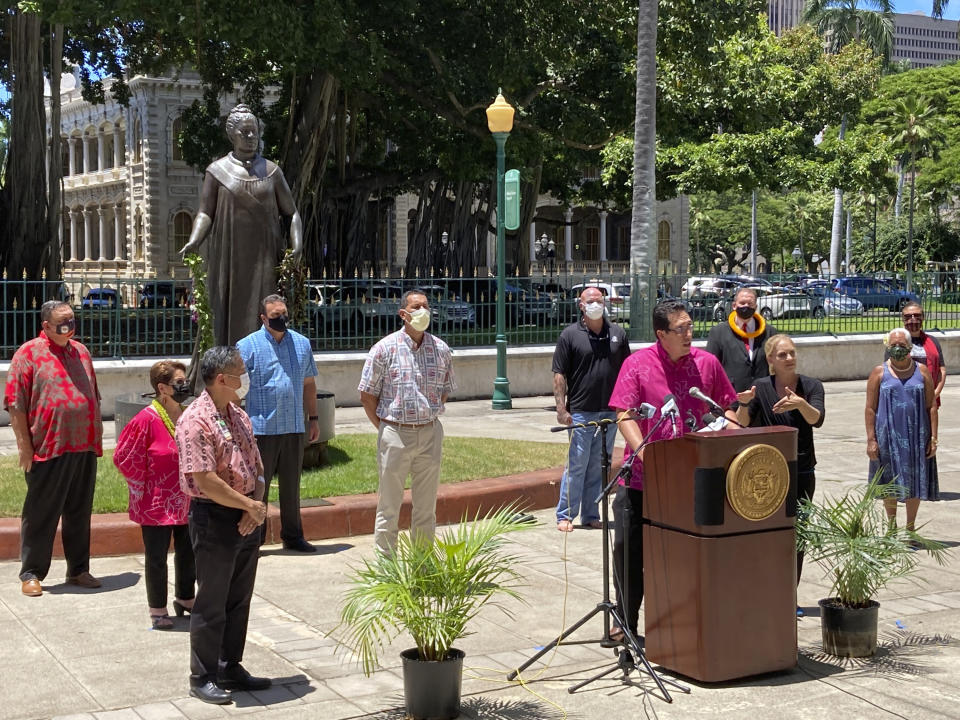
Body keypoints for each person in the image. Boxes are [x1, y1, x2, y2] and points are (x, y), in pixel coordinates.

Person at [608, 300, 737, 640]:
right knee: (628, 553)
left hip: (691, 481)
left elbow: (728, 406)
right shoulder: (637, 365)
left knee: (683, 554)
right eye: (681, 329)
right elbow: (624, 413)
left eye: (691, 327)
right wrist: (644, 450)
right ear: (661, 334)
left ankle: (681, 626)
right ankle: (625, 623)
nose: (689, 335)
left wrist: (734, 430)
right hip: (641, 479)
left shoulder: (706, 364)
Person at [175, 346, 271, 704]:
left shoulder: (238, 414)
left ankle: (231, 665)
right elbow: (204, 479)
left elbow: (256, 467)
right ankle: (202, 676)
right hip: (213, 517)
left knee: (238, 598)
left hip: (248, 516)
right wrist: (248, 505)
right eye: (240, 372)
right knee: (212, 600)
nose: (245, 378)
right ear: (221, 379)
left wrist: (254, 507)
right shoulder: (195, 420)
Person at [180, 104, 302, 346]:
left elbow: (292, 213)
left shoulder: (272, 171)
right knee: (226, 310)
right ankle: (226, 366)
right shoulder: (216, 172)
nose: (251, 137)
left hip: (265, 256)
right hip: (229, 256)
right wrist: (194, 240)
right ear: (231, 135)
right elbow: (205, 212)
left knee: (264, 306)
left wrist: (296, 245)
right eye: (244, 132)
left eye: (254, 131)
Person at [5, 300, 102, 597]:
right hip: (48, 446)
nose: (69, 326)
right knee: (41, 512)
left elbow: (93, 395)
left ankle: (78, 569)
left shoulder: (81, 351)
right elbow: (15, 403)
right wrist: (24, 446)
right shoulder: (29, 353)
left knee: (79, 510)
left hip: (83, 444)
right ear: (46, 325)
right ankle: (32, 571)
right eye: (62, 322)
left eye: (72, 321)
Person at [358, 288, 456, 554]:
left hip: (430, 433)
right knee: (388, 507)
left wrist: (430, 411)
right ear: (403, 314)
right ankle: (386, 572)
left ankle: (422, 567)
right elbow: (367, 395)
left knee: (426, 509)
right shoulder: (384, 349)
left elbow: (445, 389)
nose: (422, 311)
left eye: (426, 306)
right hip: (395, 433)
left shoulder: (441, 350)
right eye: (416, 307)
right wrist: (385, 428)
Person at [735, 334, 824, 604]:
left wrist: (800, 403)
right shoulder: (760, 387)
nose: (789, 358)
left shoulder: (811, 386)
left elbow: (816, 419)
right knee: (767, 536)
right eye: (782, 354)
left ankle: (788, 597)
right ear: (771, 360)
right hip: (767, 473)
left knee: (796, 537)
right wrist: (742, 403)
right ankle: (763, 592)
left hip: (802, 472)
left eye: (792, 353)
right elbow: (743, 424)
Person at [113, 360, 196, 629]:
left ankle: (185, 598)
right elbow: (124, 457)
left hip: (186, 497)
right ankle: (157, 608)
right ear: (162, 388)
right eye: (179, 383)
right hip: (156, 501)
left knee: (189, 551)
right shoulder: (145, 420)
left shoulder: (186, 415)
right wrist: (143, 485)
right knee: (157, 557)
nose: (185, 386)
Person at [238, 294, 320, 552]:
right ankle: (254, 539)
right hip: (261, 429)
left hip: (294, 426)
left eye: (284, 314)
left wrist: (314, 418)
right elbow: (236, 388)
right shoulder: (247, 346)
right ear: (263, 318)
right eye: (275, 316)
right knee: (257, 487)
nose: (281, 319)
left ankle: (293, 536)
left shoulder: (302, 344)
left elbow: (308, 383)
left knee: (291, 486)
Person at [553, 287, 631, 532]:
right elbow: (559, 374)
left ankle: (590, 514)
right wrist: (561, 409)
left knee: (600, 465)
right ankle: (565, 515)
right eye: (591, 301)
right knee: (577, 464)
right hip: (581, 412)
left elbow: (628, 372)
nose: (596, 304)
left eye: (599, 300)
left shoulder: (617, 334)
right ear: (581, 305)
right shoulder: (570, 335)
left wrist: (627, 406)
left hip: (610, 412)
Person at [866, 328, 938, 534]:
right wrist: (871, 439)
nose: (897, 348)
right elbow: (870, 408)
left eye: (902, 345)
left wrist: (933, 437)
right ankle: (891, 528)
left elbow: (931, 406)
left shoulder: (922, 371)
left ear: (909, 347)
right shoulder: (879, 372)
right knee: (890, 481)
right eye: (894, 344)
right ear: (888, 346)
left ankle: (910, 528)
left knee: (913, 481)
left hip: (916, 435)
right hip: (887, 436)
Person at [705, 286, 777, 396]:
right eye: (742, 303)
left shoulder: (770, 332)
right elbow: (711, 366)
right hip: (731, 397)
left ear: (756, 306)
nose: (746, 306)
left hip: (762, 396)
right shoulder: (718, 332)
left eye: (750, 303)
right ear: (734, 305)